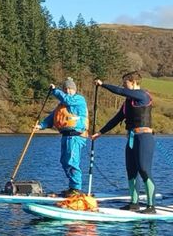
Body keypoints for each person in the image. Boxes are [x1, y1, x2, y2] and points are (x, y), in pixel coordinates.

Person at [95, 71, 158, 211]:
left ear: (134, 82)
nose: (123, 86)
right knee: (131, 171)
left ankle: (151, 206)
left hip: (144, 138)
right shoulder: (127, 103)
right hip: (131, 139)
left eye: (125, 83)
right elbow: (116, 119)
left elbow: (120, 91)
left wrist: (103, 84)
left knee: (144, 169)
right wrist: (100, 133)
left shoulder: (143, 95)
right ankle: (134, 204)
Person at [36, 77, 89, 194]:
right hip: (65, 136)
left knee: (72, 161)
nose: (68, 91)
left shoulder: (79, 100)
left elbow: (67, 100)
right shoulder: (62, 105)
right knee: (64, 161)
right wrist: (41, 125)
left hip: (76, 136)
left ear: (74, 89)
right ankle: (72, 187)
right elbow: (52, 117)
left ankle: (76, 188)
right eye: (65, 89)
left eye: (70, 89)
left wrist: (55, 90)